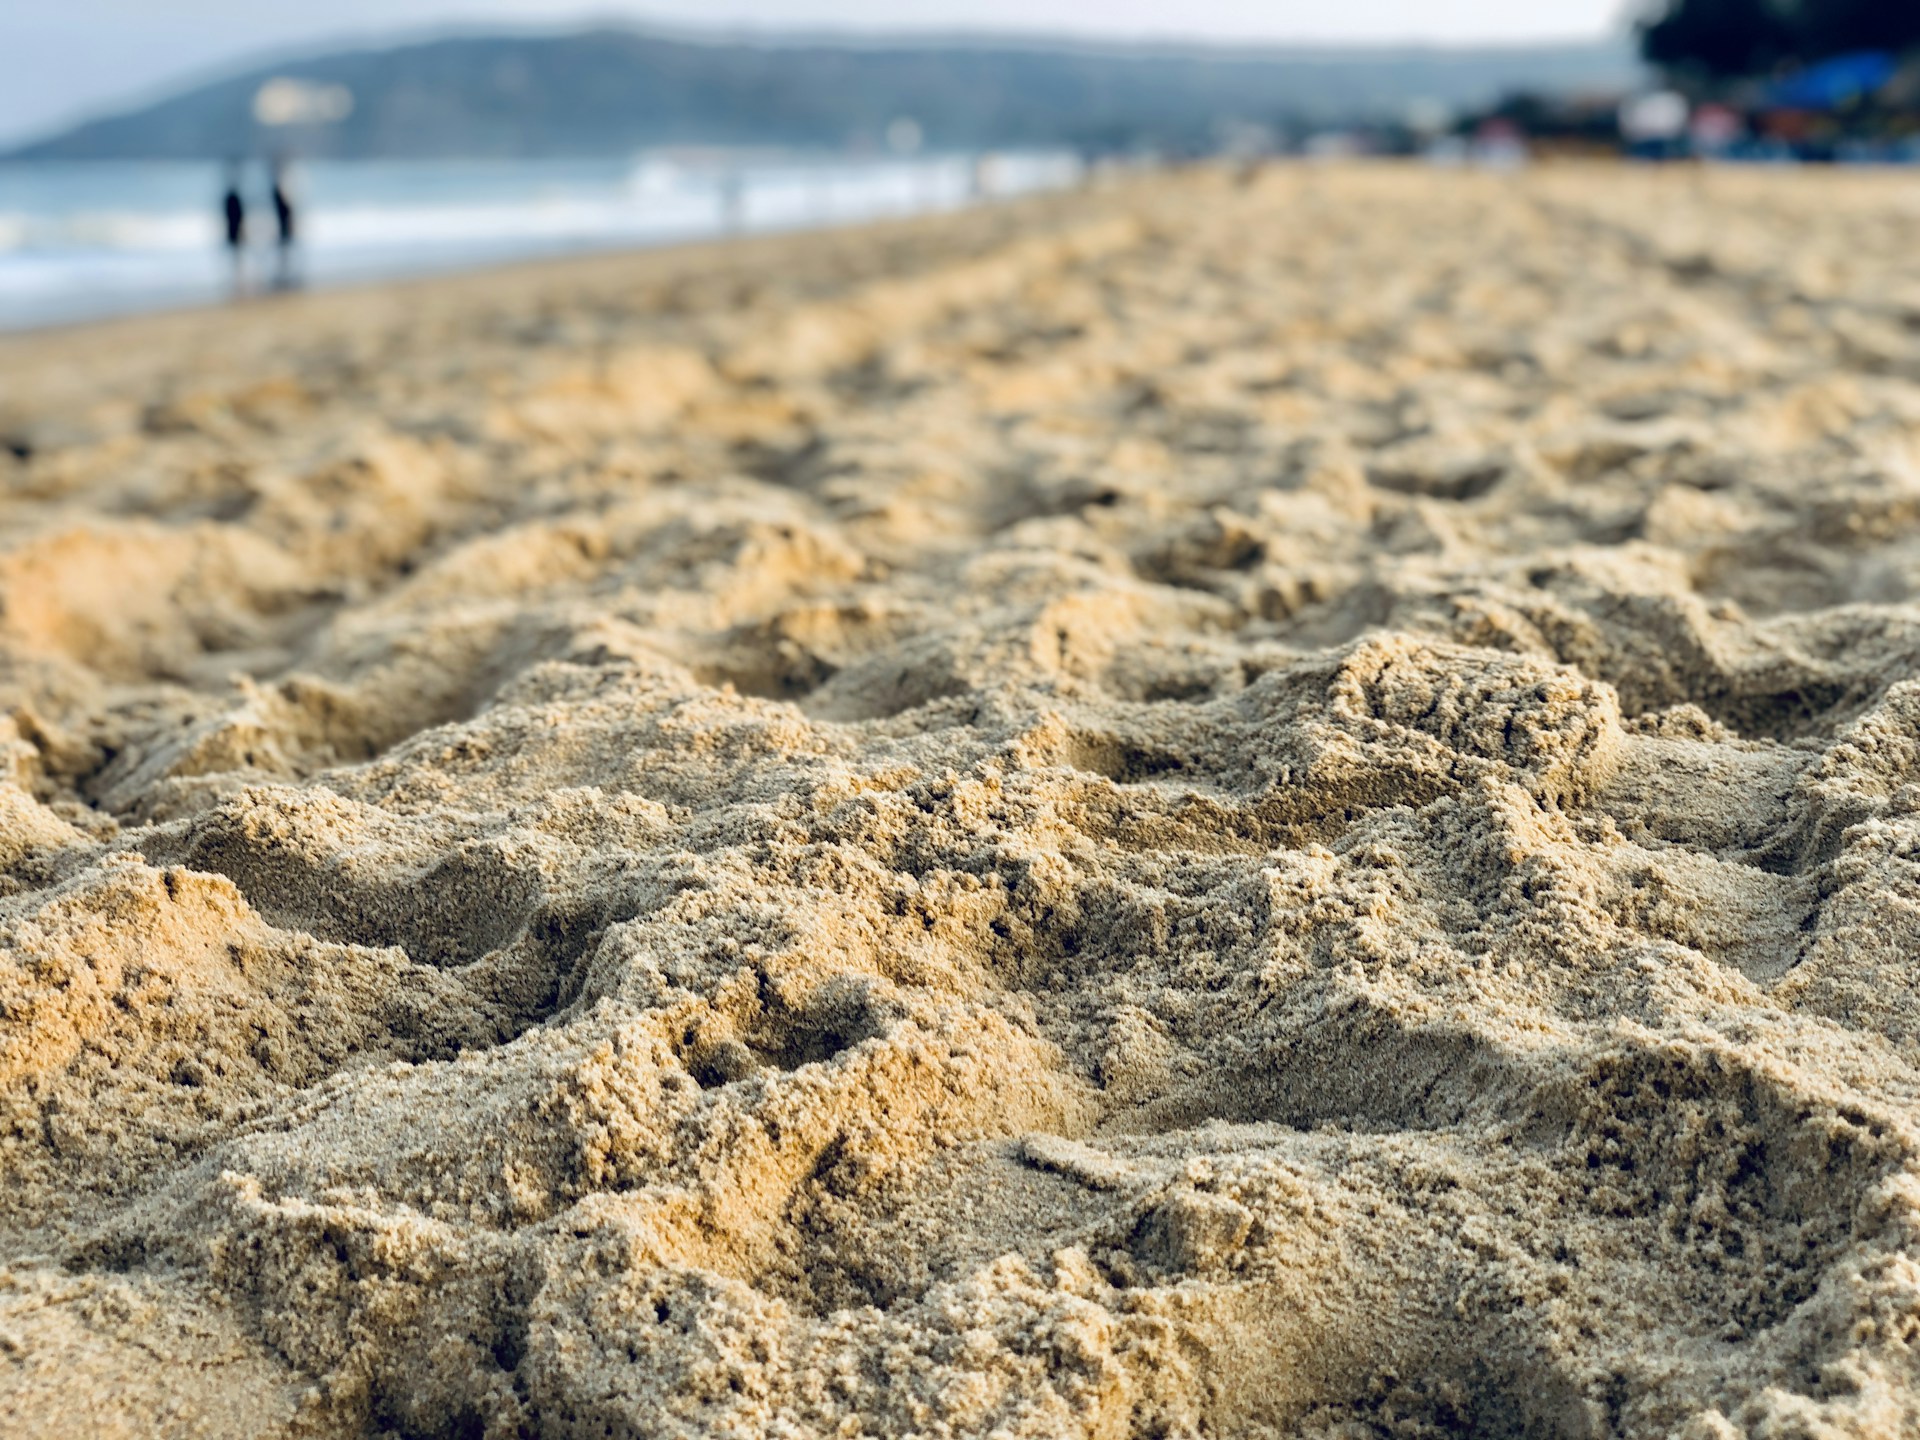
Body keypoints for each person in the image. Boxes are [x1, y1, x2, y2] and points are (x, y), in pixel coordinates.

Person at [269, 157, 299, 291]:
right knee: (283, 254)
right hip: (281, 226)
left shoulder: (280, 187)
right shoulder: (278, 188)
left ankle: (285, 277)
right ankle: (284, 277)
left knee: (284, 254)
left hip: (282, 226)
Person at [221, 160, 247, 296]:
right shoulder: (231, 196)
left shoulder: (231, 196)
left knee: (237, 258)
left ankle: (237, 283)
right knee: (236, 259)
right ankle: (236, 283)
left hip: (233, 232)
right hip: (234, 231)